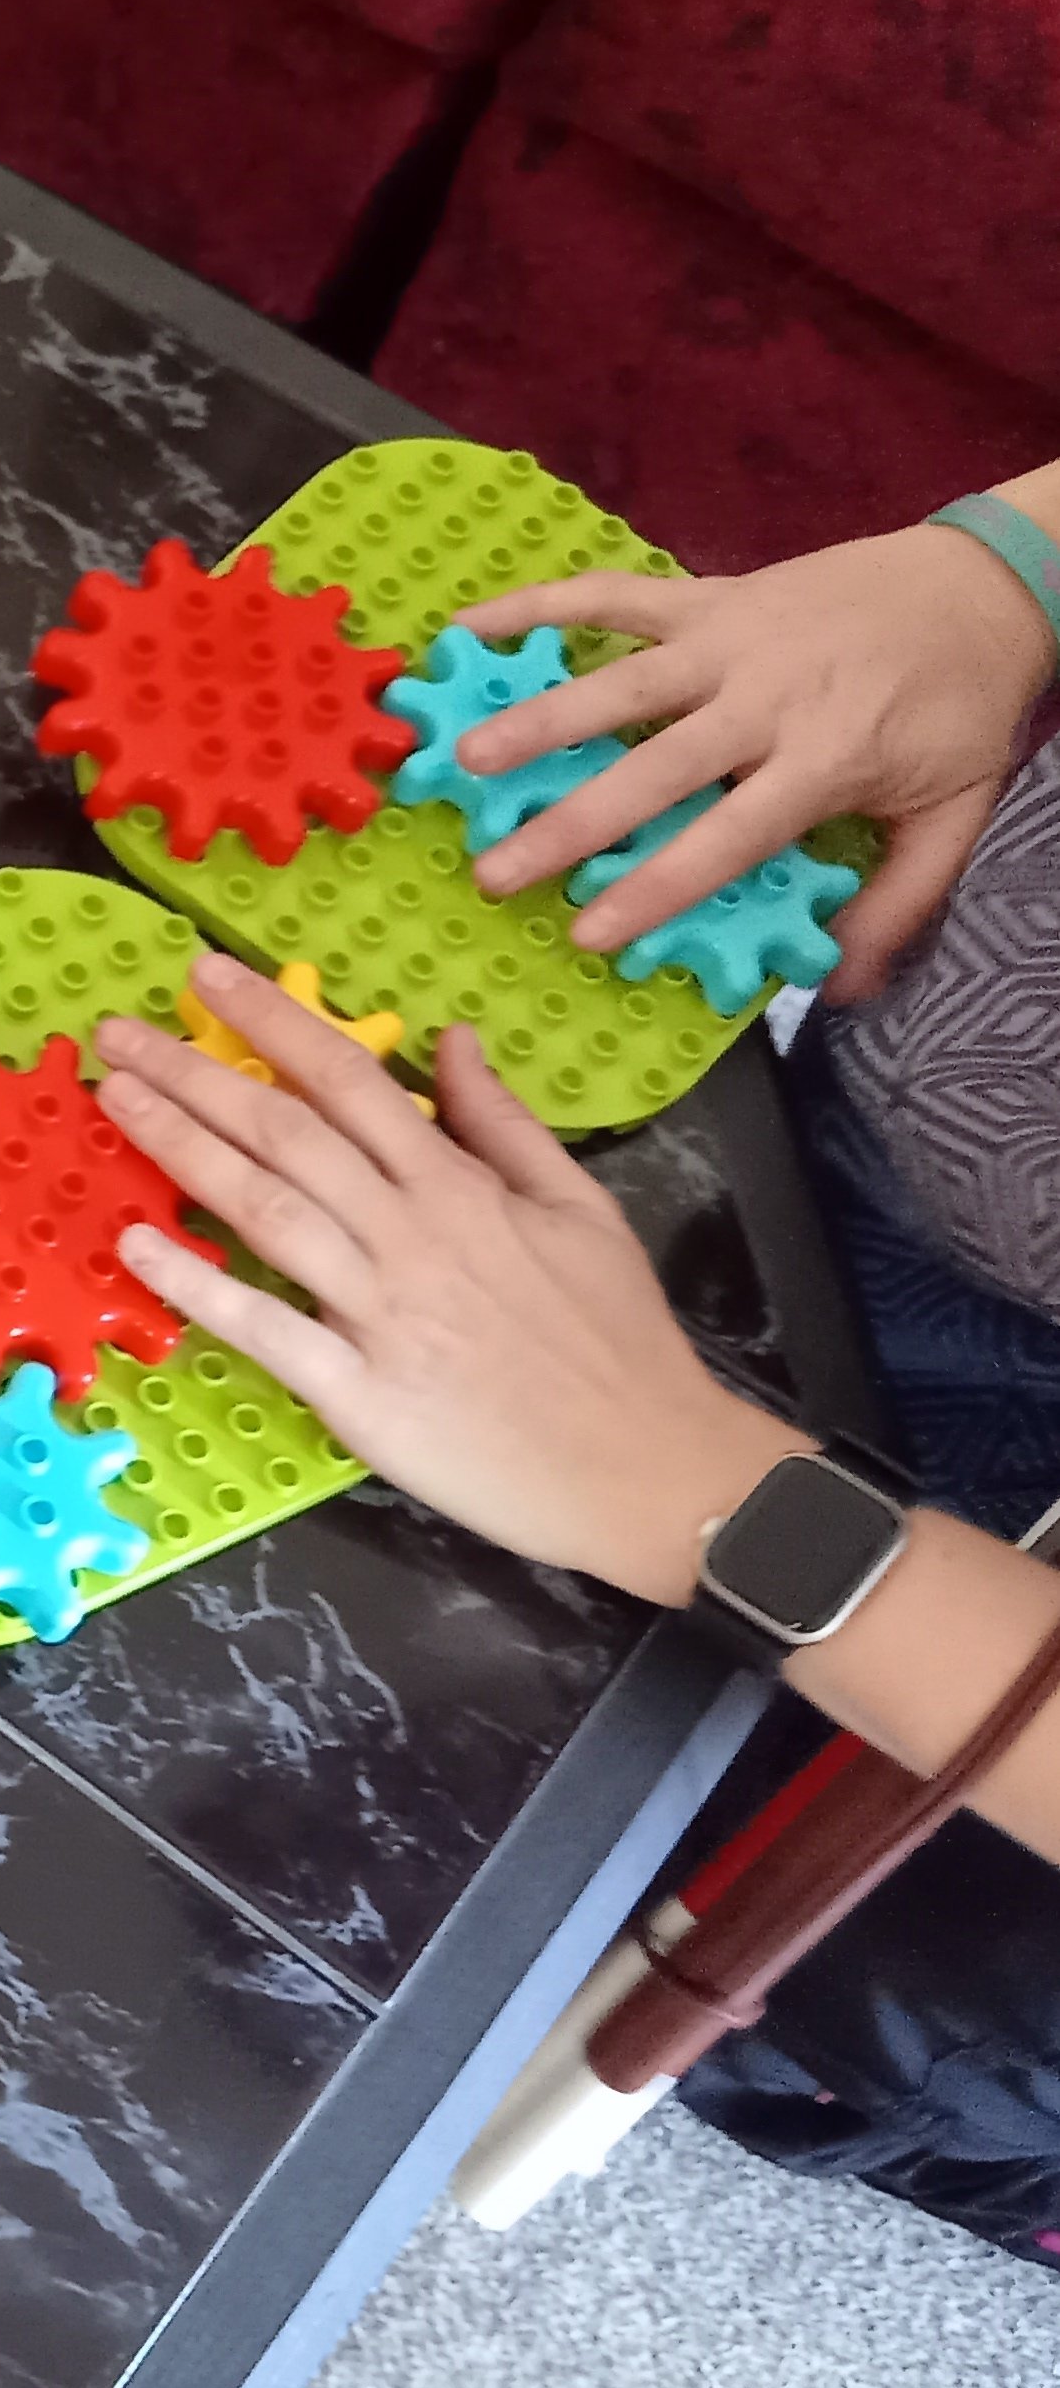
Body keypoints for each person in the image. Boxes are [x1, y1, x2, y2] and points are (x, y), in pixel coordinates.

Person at [86, 465, 1060, 2257]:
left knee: (753, 1942)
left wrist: (696, 1490)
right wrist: (1014, 571)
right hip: (928, 1150)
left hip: (990, 1817)